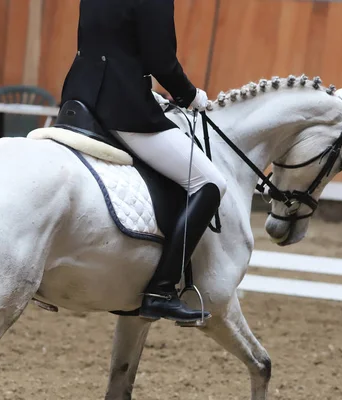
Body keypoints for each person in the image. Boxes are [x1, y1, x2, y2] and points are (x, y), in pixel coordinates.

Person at [60, 0, 227, 324]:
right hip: (121, 107)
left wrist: (147, 90)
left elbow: (110, 46)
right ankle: (161, 290)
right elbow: (161, 60)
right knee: (208, 182)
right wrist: (190, 95)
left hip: (80, 98)